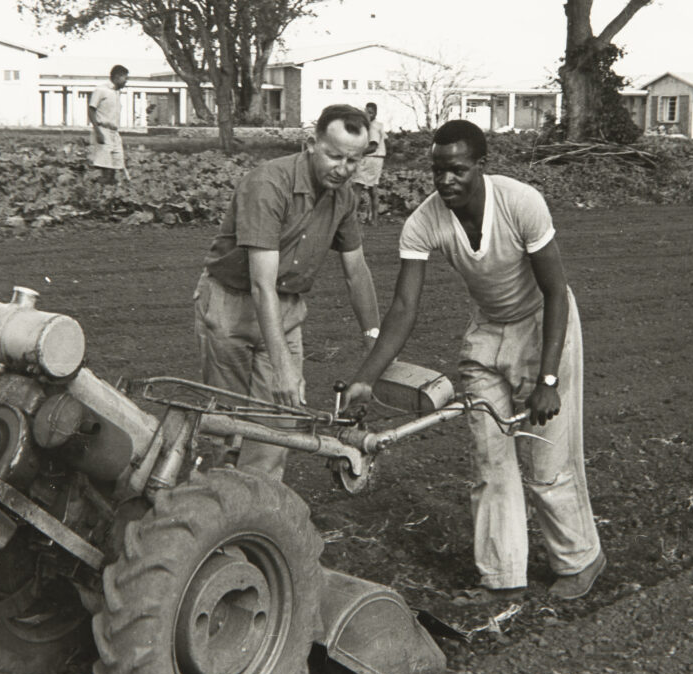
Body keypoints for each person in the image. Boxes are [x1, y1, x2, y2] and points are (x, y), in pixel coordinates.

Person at [342, 119, 605, 602]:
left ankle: (580, 558)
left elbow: (554, 293)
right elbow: (404, 308)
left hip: (545, 327)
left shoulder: (520, 202)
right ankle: (501, 576)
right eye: (437, 170)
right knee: (490, 461)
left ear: (481, 167)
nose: (446, 181)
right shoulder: (424, 221)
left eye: (457, 169)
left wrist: (548, 378)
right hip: (487, 335)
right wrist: (365, 378)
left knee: (548, 461)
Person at [195, 104, 382, 482]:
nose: (343, 169)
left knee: (280, 424)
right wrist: (282, 369)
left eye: (353, 160)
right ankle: (219, 505)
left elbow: (356, 271)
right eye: (334, 156)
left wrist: (374, 340)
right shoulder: (269, 184)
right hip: (231, 305)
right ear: (310, 143)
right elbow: (260, 283)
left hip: (286, 307)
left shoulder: (344, 196)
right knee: (228, 424)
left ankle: (257, 517)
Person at [87, 65, 129, 183]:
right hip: (103, 131)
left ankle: (112, 193)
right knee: (106, 168)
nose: (126, 81)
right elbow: (91, 110)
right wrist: (98, 132)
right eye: (125, 78)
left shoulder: (116, 93)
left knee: (117, 165)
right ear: (117, 76)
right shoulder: (101, 90)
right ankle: (98, 193)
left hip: (114, 133)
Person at [352, 102, 386, 224]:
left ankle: (352, 219)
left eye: (371, 112)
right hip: (378, 159)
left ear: (375, 113)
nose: (368, 115)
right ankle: (375, 219)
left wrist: (358, 153)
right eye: (367, 112)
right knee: (373, 188)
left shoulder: (372, 127)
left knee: (357, 187)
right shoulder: (378, 125)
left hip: (370, 158)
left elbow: (373, 146)